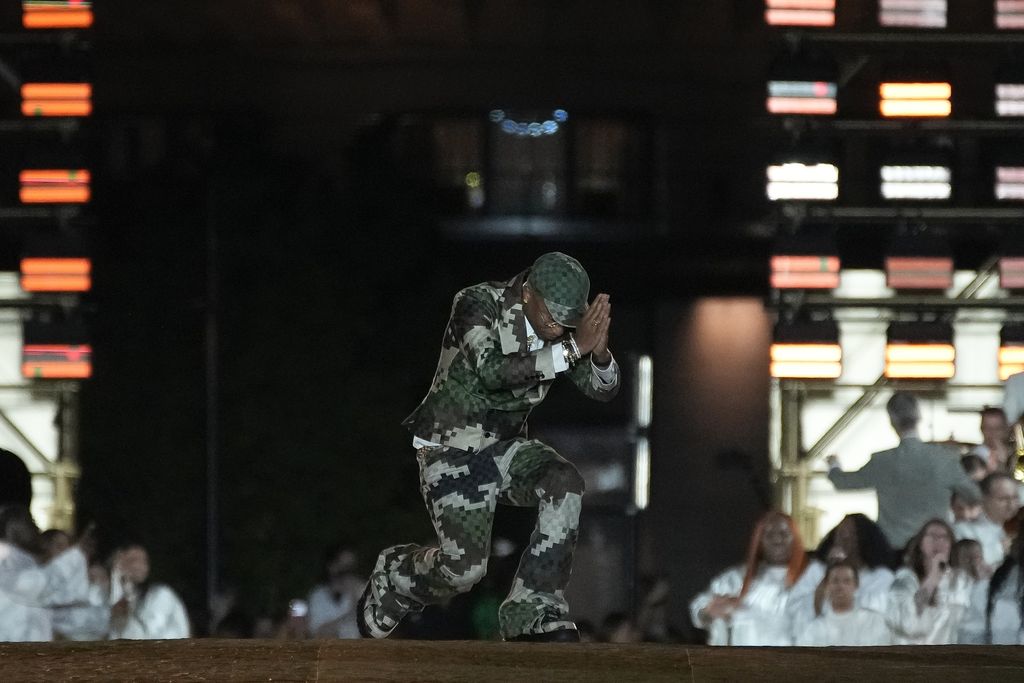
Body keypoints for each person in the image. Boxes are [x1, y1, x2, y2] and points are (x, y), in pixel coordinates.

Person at [358, 253, 619, 643]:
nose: (557, 329)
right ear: (528, 293)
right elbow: (492, 371)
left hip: (506, 449)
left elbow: (601, 390)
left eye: (566, 323)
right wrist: (571, 350)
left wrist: (598, 354)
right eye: (552, 318)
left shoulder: (561, 332)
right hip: (451, 447)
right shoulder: (477, 303)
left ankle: (531, 609)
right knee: (464, 570)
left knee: (564, 481)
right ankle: (396, 574)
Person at [826, 392, 981, 549]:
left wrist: (834, 466)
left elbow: (843, 483)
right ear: (919, 416)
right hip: (935, 547)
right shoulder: (945, 458)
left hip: (893, 548)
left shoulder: (882, 461)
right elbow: (974, 495)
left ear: (892, 421)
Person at [689, 511, 807, 646]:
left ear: (796, 538)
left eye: (784, 534)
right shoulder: (735, 579)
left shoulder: (811, 580)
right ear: (759, 540)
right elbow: (699, 609)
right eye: (769, 534)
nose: (777, 540)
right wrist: (708, 612)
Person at [788, 513, 894, 633]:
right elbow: (794, 608)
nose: (844, 540)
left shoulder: (881, 577)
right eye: (841, 534)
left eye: (851, 535)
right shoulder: (817, 569)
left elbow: (874, 614)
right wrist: (829, 573)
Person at [0, 505, 90, 641]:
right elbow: (37, 587)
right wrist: (74, 557)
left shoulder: (24, 560)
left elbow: (57, 611)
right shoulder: (5, 557)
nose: (36, 528)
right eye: (31, 522)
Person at [886, 519, 972, 645]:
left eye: (944, 537)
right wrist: (933, 575)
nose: (938, 541)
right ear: (921, 543)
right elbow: (907, 622)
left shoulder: (960, 580)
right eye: (932, 536)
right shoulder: (904, 579)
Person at [795, 562, 892, 646]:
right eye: (835, 581)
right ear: (826, 586)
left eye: (847, 581)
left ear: (856, 585)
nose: (840, 586)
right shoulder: (814, 629)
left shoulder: (873, 621)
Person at [107, 543, 190, 639]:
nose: (140, 565)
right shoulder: (132, 596)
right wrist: (117, 581)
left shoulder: (163, 594)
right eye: (132, 560)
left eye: (144, 560)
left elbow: (148, 636)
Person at [954, 472, 1019, 568]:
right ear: (984, 499)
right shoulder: (964, 530)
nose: (1011, 505)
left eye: (1015, 498)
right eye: (1004, 499)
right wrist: (1000, 549)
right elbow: (966, 565)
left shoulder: (1018, 527)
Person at [307, 544, 364, 638]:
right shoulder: (318, 596)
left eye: (350, 567)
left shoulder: (362, 590)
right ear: (331, 567)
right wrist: (349, 615)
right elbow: (317, 632)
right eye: (343, 566)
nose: (347, 572)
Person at [951, 539, 993, 644]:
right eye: (978, 557)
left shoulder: (980, 580)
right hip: (968, 634)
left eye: (980, 557)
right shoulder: (959, 581)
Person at [972, 408, 1013, 475]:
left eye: (998, 428)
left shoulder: (1016, 453)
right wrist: (1002, 463)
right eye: (988, 428)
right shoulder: (975, 457)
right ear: (981, 429)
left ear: (1007, 429)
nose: (992, 432)